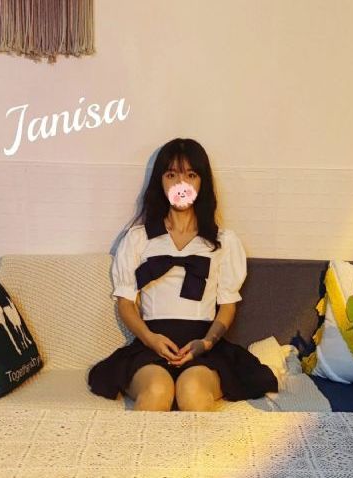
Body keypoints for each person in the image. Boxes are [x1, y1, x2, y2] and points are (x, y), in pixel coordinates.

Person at [87, 138, 278, 411]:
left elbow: (227, 307)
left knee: (191, 391)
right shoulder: (139, 238)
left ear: (202, 182)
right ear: (160, 182)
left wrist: (206, 343)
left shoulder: (223, 241)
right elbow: (126, 303)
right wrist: (150, 339)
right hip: (151, 345)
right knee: (157, 390)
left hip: (203, 347)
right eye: (171, 175)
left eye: (190, 175)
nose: (181, 184)